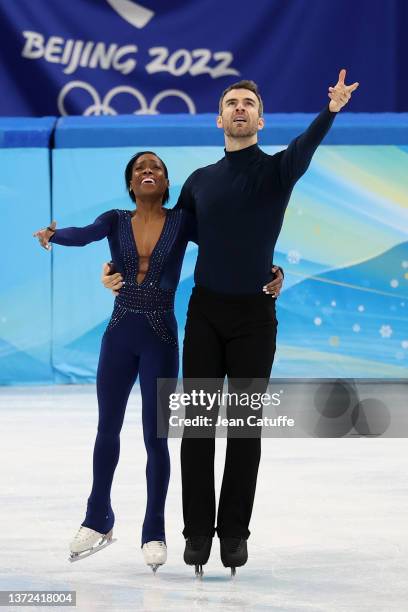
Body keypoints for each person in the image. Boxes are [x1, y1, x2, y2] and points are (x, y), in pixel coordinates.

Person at [103, 69, 359, 576]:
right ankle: (197, 533)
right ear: (219, 118)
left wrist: (330, 110)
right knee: (197, 427)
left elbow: (306, 146)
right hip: (205, 314)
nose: (240, 108)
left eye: (248, 102)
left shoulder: (277, 171)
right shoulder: (199, 182)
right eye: (231, 102)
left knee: (244, 429)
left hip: (254, 318)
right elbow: (164, 237)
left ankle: (234, 533)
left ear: (260, 119)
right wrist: (120, 272)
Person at [33, 151, 197, 572]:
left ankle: (154, 529)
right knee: (107, 429)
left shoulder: (182, 221)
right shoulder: (114, 219)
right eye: (140, 169)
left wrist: (268, 268)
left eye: (156, 168)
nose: (148, 172)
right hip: (120, 334)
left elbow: (229, 248)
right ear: (130, 183)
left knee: (154, 438)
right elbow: (84, 233)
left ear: (166, 182)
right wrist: (54, 235)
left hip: (161, 337)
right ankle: (97, 518)